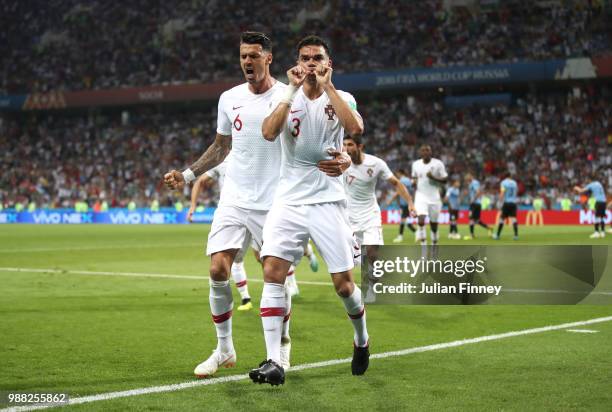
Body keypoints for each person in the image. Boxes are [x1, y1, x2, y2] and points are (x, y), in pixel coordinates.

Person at [163, 32, 293, 377]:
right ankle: (224, 349)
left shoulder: (287, 96)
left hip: (274, 202)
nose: (247, 62)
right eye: (242, 57)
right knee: (218, 270)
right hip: (234, 198)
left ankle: (282, 347)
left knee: (274, 277)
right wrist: (188, 175)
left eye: (253, 56)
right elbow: (221, 146)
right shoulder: (229, 98)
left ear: (269, 57)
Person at [251, 35, 369, 385]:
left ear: (328, 63)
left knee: (344, 286)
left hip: (328, 201)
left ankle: (361, 339)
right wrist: (289, 90)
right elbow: (269, 133)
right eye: (306, 58)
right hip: (288, 199)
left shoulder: (341, 97)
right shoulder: (283, 96)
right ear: (297, 64)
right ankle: (274, 360)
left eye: (318, 58)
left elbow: (356, 128)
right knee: (272, 269)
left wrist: (329, 88)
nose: (312, 63)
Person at [343, 134, 414, 301]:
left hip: (370, 215)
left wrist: (410, 203)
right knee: (358, 259)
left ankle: (371, 289)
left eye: (350, 144)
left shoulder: (376, 164)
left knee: (372, 253)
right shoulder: (341, 162)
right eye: (344, 144)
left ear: (360, 146)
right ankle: (369, 270)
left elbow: (396, 183)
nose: (346, 148)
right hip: (349, 217)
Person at [187, 160, 253, 311]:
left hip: (259, 210)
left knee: (268, 257)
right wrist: (192, 205)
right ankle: (245, 298)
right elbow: (200, 181)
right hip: (232, 212)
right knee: (234, 260)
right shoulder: (221, 159)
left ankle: (289, 284)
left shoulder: (258, 149)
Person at [411, 144, 448, 245]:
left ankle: (434, 244)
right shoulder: (416, 164)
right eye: (423, 151)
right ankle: (423, 248)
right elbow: (414, 177)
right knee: (421, 219)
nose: (425, 152)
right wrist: (413, 183)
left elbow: (445, 180)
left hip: (434, 196)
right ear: (420, 153)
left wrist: (433, 177)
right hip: (420, 195)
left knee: (434, 224)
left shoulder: (438, 164)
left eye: (427, 150)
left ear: (431, 152)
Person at [390, 169, 416, 242]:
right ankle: (416, 232)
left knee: (403, 220)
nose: (396, 175)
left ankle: (400, 236)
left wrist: (391, 200)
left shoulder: (401, 181)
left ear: (400, 173)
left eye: (397, 173)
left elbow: (399, 192)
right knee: (405, 220)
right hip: (408, 202)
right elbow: (412, 190)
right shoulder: (409, 180)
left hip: (404, 203)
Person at [464, 173, 492, 239]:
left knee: (471, 218)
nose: (467, 180)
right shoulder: (471, 183)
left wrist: (473, 199)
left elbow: (478, 192)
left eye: (467, 178)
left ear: (471, 176)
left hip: (475, 203)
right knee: (476, 220)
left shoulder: (474, 183)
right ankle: (489, 228)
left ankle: (471, 235)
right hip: (476, 203)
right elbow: (474, 192)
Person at [493, 172, 519, 240]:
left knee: (502, 219)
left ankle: (498, 235)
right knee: (513, 219)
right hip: (513, 203)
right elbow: (516, 192)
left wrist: (499, 201)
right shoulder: (514, 183)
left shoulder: (503, 182)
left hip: (507, 202)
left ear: (505, 176)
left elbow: (502, 192)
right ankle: (516, 235)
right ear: (510, 176)